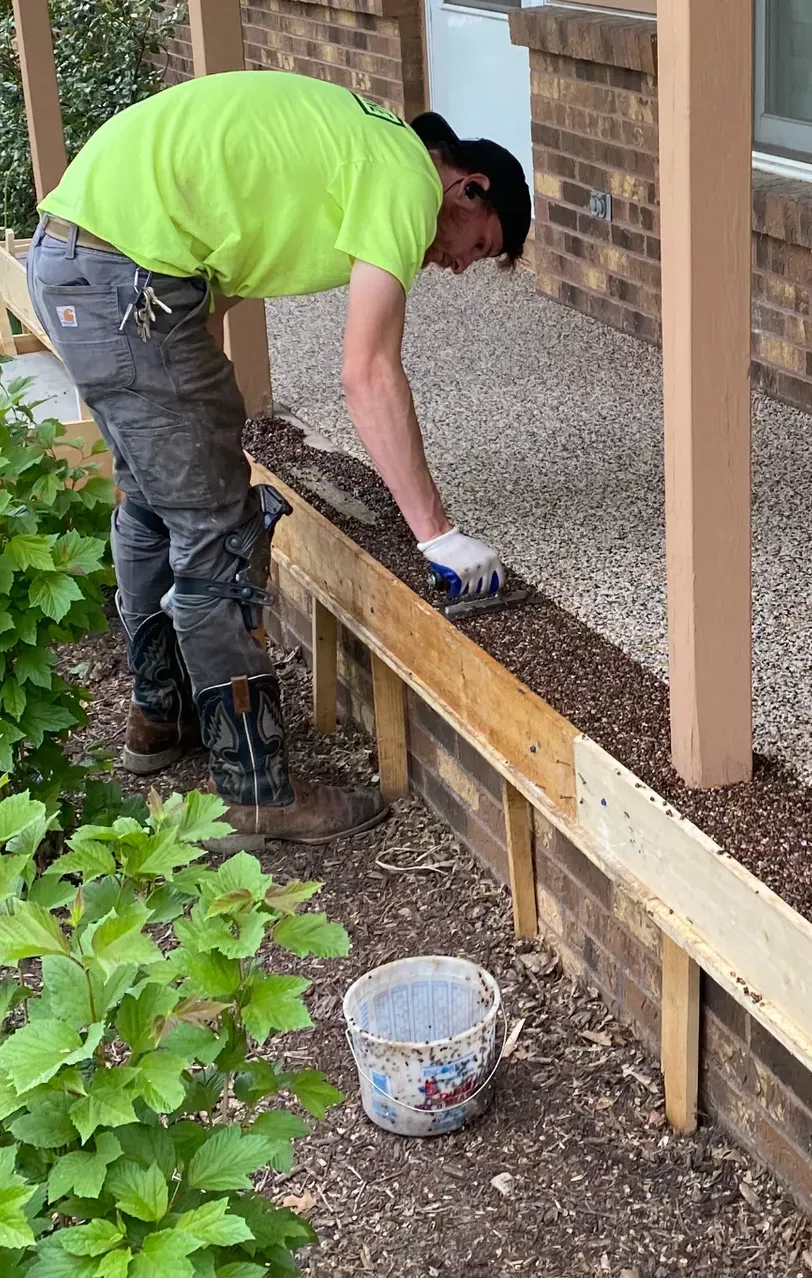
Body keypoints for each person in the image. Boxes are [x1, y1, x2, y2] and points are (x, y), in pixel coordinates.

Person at [28, 69, 531, 847]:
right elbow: (367, 373)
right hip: (122, 278)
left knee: (155, 500)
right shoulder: (404, 177)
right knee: (218, 529)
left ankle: (159, 719)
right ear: (470, 188)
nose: (457, 264)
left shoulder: (361, 148)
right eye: (479, 245)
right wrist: (436, 534)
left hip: (83, 262)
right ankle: (256, 792)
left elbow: (222, 264)